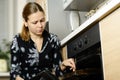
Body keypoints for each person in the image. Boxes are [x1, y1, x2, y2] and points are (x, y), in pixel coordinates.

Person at [10, 2, 76, 80]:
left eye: (42, 20)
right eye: (35, 22)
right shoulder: (17, 41)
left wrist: (63, 66)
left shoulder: (53, 40)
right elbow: (14, 73)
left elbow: (56, 73)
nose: (40, 25)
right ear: (25, 22)